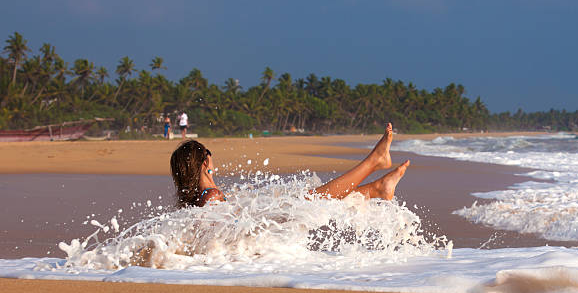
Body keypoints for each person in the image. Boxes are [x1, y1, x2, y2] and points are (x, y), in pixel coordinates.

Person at [170, 123, 410, 208]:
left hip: (266, 220)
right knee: (318, 198)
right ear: (204, 162)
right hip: (269, 224)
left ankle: (377, 188)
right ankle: (374, 160)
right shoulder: (210, 195)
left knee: (322, 199)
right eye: (209, 154)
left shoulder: (204, 195)